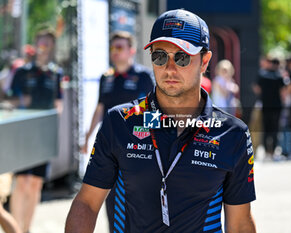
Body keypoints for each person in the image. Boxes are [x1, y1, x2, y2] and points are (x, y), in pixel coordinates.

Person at [66, 9, 256, 233]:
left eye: (182, 57)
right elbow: (87, 203)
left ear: (204, 62)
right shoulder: (120, 121)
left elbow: (240, 222)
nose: (170, 68)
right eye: (160, 56)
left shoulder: (232, 133)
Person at [80, 30, 154, 233]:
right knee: (111, 201)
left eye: (120, 47)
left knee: (137, 200)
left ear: (131, 51)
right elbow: (99, 108)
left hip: (138, 146)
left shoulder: (143, 76)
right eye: (113, 47)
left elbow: (154, 110)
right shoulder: (106, 77)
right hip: (110, 147)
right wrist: (87, 138)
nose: (115, 51)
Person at [8, 28, 62, 233]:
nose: (44, 47)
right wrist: (23, 101)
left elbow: (59, 103)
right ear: (35, 44)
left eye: (48, 43)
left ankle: (26, 228)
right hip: (23, 133)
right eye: (41, 42)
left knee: (35, 184)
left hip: (43, 135)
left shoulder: (56, 73)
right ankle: (16, 229)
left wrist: (54, 119)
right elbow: (7, 99)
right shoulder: (22, 72)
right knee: (21, 182)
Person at [254, 56, 287, 159]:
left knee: (265, 129)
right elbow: (283, 92)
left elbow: (256, 88)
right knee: (275, 129)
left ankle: (266, 151)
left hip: (266, 105)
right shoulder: (280, 76)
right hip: (277, 106)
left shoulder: (262, 74)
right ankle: (273, 151)